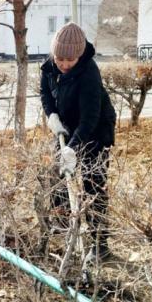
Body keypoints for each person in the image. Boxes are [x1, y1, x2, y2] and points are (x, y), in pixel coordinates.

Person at [39, 22, 117, 261]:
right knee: (59, 177)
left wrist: (73, 147)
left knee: (94, 184)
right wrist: (51, 115)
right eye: (60, 58)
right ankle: (65, 228)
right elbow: (45, 92)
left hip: (94, 131)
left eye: (69, 61)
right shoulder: (49, 66)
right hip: (65, 126)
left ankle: (98, 243)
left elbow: (90, 118)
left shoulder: (89, 73)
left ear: (80, 55)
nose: (63, 64)